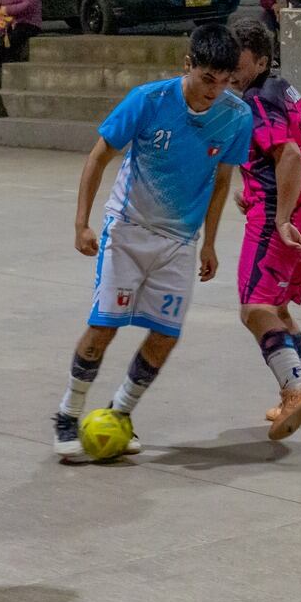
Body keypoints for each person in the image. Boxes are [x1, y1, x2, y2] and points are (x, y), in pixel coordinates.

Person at [52, 24, 250, 462]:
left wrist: (210, 244)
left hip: (179, 242)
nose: (215, 91)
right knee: (104, 325)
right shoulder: (148, 101)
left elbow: (222, 183)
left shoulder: (236, 117)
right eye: (207, 79)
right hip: (127, 230)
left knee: (164, 336)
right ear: (188, 65)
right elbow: (98, 156)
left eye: (225, 81)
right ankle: (68, 412)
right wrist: (80, 223)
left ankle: (120, 412)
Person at [229, 24, 301, 440]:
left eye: (238, 59)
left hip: (286, 213)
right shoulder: (282, 89)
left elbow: (287, 153)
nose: (231, 68)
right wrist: (253, 186)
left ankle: (296, 389)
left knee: (255, 308)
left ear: (259, 60)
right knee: (279, 306)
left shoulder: (258, 98)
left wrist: (280, 216)